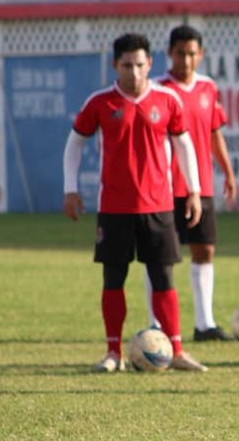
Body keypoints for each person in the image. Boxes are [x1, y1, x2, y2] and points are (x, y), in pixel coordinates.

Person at [63, 32, 208, 372]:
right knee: (114, 279)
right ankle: (113, 353)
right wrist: (70, 189)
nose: (134, 72)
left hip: (159, 206)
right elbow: (74, 144)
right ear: (116, 65)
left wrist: (195, 190)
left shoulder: (167, 100)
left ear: (150, 64)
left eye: (140, 65)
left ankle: (176, 351)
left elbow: (184, 145)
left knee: (164, 279)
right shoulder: (100, 103)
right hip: (114, 207)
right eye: (127, 65)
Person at [145, 24, 238, 341]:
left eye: (192, 54)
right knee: (161, 256)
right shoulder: (156, 89)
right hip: (163, 187)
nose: (185, 60)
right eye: (180, 53)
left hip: (201, 187)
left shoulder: (208, 88)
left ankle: (204, 324)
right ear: (169, 53)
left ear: (201, 55)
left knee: (205, 251)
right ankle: (157, 325)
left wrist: (227, 170)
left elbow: (214, 133)